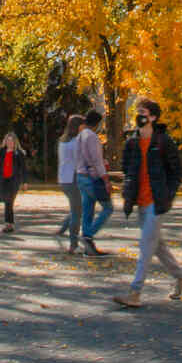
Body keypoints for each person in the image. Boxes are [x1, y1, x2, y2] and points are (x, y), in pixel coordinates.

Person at [114, 99, 182, 308]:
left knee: (146, 245)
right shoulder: (132, 142)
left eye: (143, 112)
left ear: (153, 117)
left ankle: (135, 292)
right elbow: (128, 171)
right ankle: (181, 278)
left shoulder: (164, 141)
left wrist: (167, 195)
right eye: (138, 112)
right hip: (141, 202)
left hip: (157, 201)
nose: (139, 115)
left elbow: (175, 173)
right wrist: (128, 195)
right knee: (157, 246)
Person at [74, 108, 112, 256]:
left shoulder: (79, 136)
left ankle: (89, 247)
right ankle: (88, 235)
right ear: (96, 123)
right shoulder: (92, 137)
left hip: (80, 176)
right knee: (108, 207)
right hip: (91, 177)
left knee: (88, 209)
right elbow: (96, 161)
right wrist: (106, 179)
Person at [52, 114, 85, 252]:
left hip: (63, 179)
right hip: (72, 179)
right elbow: (79, 160)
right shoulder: (76, 142)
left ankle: (62, 230)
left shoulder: (62, 141)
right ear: (78, 126)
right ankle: (73, 244)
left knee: (75, 207)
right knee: (77, 211)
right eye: (83, 125)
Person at [0, 132, 27, 233]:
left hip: (14, 181)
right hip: (3, 179)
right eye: (8, 140)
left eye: (11, 141)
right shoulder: (1, 151)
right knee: (7, 202)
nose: (9, 142)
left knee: (9, 201)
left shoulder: (19, 153)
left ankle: (8, 224)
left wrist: (25, 182)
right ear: (5, 141)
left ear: (15, 142)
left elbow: (23, 168)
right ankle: (9, 224)